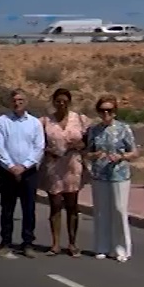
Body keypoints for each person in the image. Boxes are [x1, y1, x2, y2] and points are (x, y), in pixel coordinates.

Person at [0, 88, 45, 258]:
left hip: (29, 172)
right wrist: (11, 166)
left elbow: (39, 147)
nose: (17, 103)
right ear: (10, 102)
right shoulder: (2, 121)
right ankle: (5, 242)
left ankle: (28, 242)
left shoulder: (35, 123)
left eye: (21, 100)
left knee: (28, 209)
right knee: (7, 209)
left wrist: (24, 166)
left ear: (26, 101)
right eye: (15, 100)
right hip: (7, 172)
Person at [85, 96, 139, 262]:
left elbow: (135, 152)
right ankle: (102, 247)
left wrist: (122, 156)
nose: (106, 113)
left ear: (115, 112)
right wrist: (94, 155)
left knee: (119, 210)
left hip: (119, 175)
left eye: (109, 110)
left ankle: (121, 249)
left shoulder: (124, 129)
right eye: (102, 110)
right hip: (100, 175)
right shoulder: (94, 130)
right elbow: (87, 152)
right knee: (101, 211)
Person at [39, 88, 91, 257]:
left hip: (72, 165)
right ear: (53, 102)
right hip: (54, 166)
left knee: (72, 205)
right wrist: (48, 150)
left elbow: (88, 143)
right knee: (55, 204)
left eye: (65, 101)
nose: (61, 104)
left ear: (69, 102)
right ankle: (55, 243)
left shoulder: (80, 120)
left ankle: (72, 243)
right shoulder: (46, 121)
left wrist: (78, 146)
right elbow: (38, 143)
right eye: (58, 101)